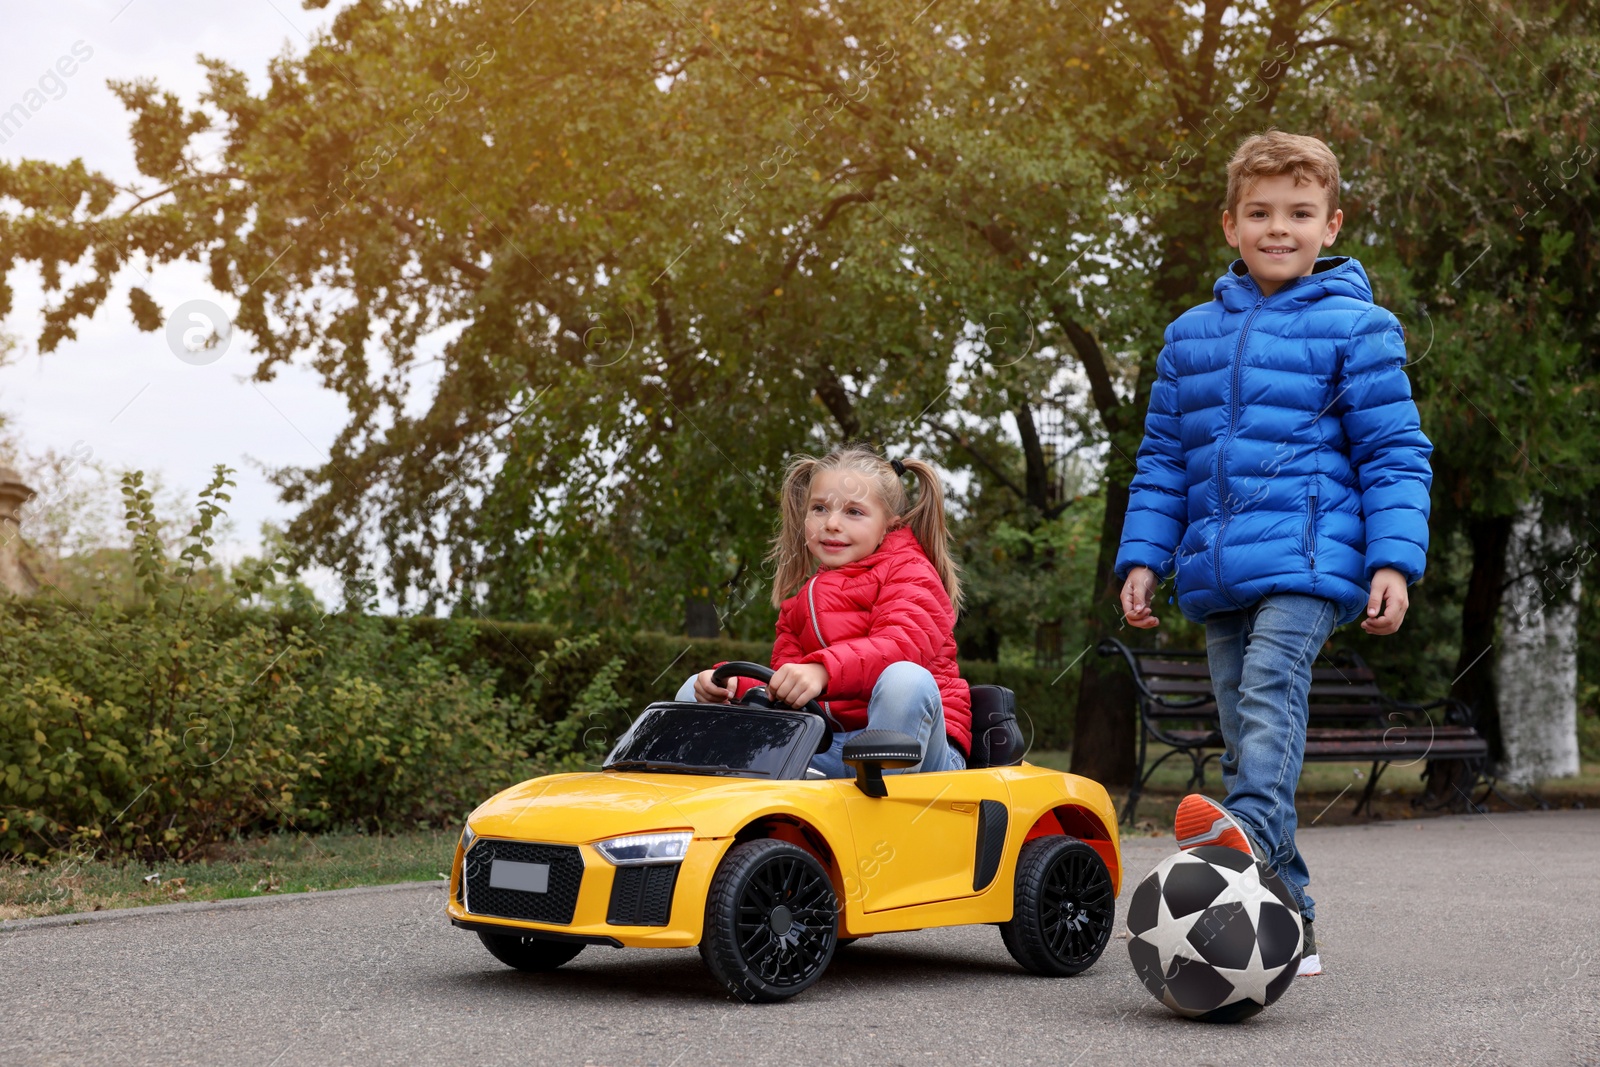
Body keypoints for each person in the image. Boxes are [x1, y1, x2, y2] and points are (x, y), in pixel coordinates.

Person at [1115, 130, 1433, 979]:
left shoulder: (1359, 328)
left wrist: (1391, 561)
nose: (1278, 227)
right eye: (1260, 212)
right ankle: (1290, 915)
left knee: (1266, 695)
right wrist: (1143, 556)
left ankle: (1248, 833)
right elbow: (1161, 461)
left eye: (1299, 212)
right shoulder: (1188, 337)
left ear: (1332, 224)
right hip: (1219, 570)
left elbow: (1395, 453)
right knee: (1244, 723)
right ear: (1230, 224)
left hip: (1311, 559)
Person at [675, 445, 971, 777]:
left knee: (907, 679)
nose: (831, 523)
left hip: (922, 751)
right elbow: (784, 688)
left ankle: (889, 810)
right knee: (694, 689)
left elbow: (898, 647)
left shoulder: (911, 573)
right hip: (832, 746)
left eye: (854, 512)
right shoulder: (801, 602)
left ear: (889, 524)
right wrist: (731, 684)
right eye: (819, 508)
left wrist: (822, 671)